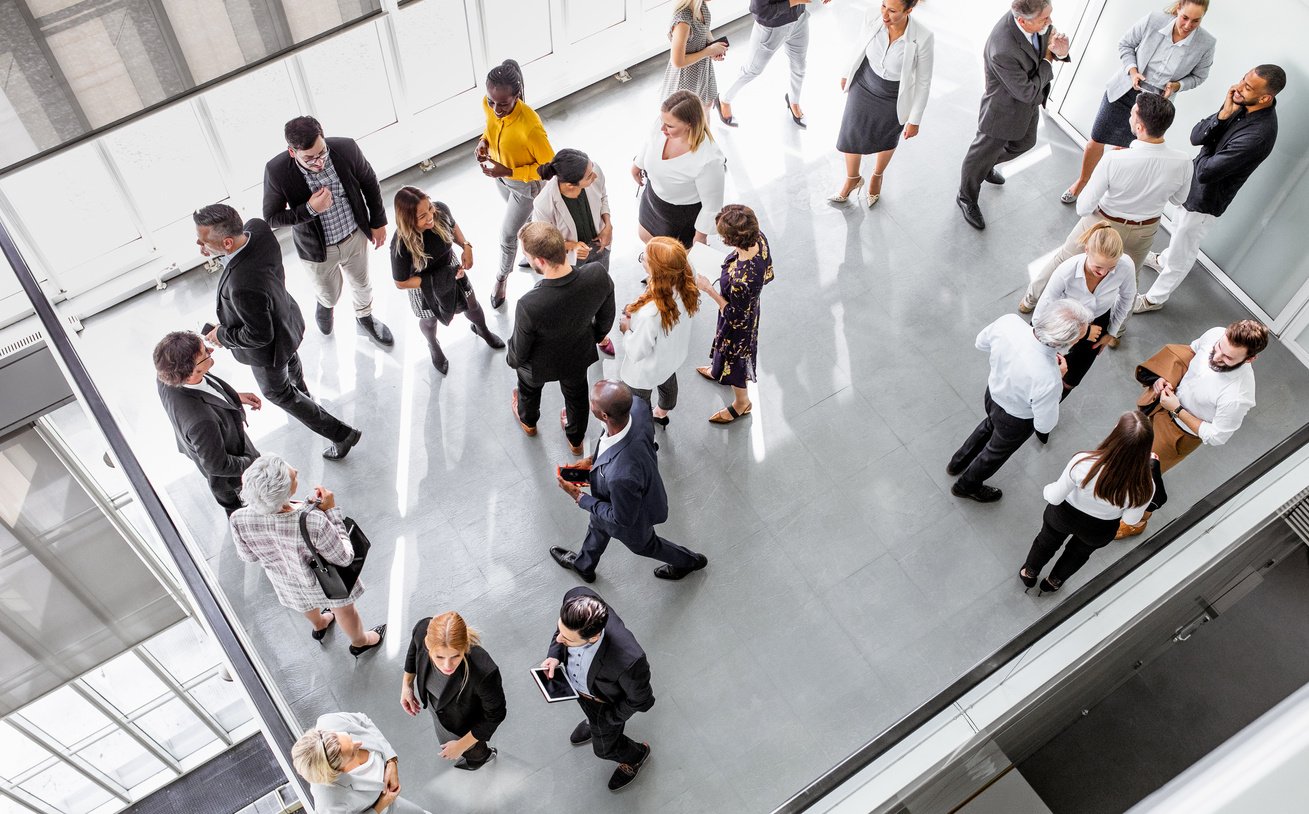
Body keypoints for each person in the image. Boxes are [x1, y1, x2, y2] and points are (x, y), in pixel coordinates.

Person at [1019, 91, 1191, 343]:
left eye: (1132, 113)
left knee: (1063, 259)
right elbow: (1179, 200)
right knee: (1130, 277)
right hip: (1144, 231)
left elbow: (1083, 206)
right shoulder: (1183, 161)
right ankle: (1117, 331)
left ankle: (1030, 300)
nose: (1129, 116)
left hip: (1103, 224)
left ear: (1140, 126)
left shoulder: (1115, 159)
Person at [195, 204, 361, 460]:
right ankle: (303, 392)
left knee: (279, 392)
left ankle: (341, 434)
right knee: (291, 359)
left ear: (227, 242)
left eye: (203, 241)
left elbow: (259, 336)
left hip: (268, 351)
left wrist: (222, 335)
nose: (199, 245)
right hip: (286, 318)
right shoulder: (257, 229)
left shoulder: (241, 285)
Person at [1135, 65, 1284, 314]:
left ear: (1265, 97)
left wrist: (1209, 143)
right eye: (1242, 79)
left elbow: (1206, 171)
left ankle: (1155, 299)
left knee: (1185, 248)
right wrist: (1223, 115)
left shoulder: (1258, 135)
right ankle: (1163, 260)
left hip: (1207, 199)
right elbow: (1196, 137)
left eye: (1248, 87)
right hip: (1193, 186)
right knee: (1179, 229)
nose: (1238, 87)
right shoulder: (1239, 104)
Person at [551, 380, 708, 582]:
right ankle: (584, 566)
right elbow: (617, 442)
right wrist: (592, 461)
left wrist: (579, 496)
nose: (590, 405)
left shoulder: (621, 476)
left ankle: (690, 562)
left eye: (593, 403)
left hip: (631, 516)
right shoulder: (638, 408)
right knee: (597, 525)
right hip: (622, 491)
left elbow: (622, 518)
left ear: (605, 415)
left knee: (645, 545)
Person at [1120, 320, 1264, 538]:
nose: (1217, 357)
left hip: (1178, 432)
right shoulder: (1216, 333)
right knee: (1128, 448)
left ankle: (1137, 522)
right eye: (1219, 348)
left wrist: (1177, 409)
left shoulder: (1238, 396)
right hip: (1161, 403)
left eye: (1228, 358)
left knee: (1144, 472)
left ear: (1250, 359)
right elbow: (1192, 351)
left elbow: (1217, 436)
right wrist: (1162, 380)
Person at [1060, 1, 1215, 204]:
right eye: (1185, 17)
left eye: (1196, 21)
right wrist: (1132, 70)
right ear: (1178, 8)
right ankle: (1082, 181)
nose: (1187, 25)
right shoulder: (1154, 20)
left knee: (1125, 150)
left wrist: (1177, 85)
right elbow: (1125, 44)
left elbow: (1199, 76)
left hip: (1153, 105)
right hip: (1124, 91)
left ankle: (1100, 188)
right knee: (1096, 139)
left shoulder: (1206, 43)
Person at [230, 455, 385, 657]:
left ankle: (320, 624)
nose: (296, 470)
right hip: (325, 582)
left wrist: (306, 507)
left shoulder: (238, 518)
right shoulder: (314, 522)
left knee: (305, 605)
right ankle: (360, 641)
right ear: (285, 492)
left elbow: (249, 557)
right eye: (292, 477)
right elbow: (345, 557)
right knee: (344, 610)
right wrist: (330, 512)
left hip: (286, 582)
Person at [262, 116, 394, 347]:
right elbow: (272, 218)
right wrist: (310, 209)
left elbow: (368, 180)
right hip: (317, 251)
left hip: (354, 235)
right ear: (292, 152)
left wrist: (378, 221)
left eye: (322, 152)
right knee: (330, 293)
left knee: (362, 284)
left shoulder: (346, 147)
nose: (319, 162)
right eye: (310, 158)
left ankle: (365, 317)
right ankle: (325, 306)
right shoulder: (277, 171)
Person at [947, 300, 1092, 503]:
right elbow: (1045, 424)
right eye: (1079, 338)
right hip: (1015, 420)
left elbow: (981, 343)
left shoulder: (1009, 323)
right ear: (1062, 343)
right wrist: (1058, 378)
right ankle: (966, 486)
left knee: (988, 424)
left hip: (993, 394)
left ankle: (957, 462)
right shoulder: (1050, 378)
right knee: (995, 452)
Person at [957, 0, 1071, 230]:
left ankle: (986, 166)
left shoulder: (1038, 21)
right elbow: (1027, 91)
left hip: (1029, 103)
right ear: (1022, 21)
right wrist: (1049, 61)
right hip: (1002, 109)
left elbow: (1048, 49)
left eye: (1050, 16)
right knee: (979, 155)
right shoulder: (1002, 48)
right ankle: (966, 197)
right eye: (1045, 19)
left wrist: (1061, 52)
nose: (1050, 23)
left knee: (1026, 143)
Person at [506, 223, 616, 456]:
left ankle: (529, 422)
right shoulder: (597, 274)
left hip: (537, 364)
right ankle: (575, 440)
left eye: (527, 256)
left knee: (527, 389)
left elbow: (519, 352)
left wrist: (512, 359)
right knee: (576, 396)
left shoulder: (530, 304)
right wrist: (593, 336)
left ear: (540, 261)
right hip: (576, 354)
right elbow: (607, 317)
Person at [1021, 412, 1158, 594]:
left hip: (1064, 515)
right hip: (1100, 529)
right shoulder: (1145, 486)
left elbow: (1054, 497)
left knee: (1045, 543)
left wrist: (1047, 488)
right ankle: (1054, 581)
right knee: (1078, 555)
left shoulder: (1084, 462)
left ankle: (1030, 573)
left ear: (1115, 435)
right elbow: (1131, 520)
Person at [540, 587, 655, 792]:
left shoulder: (628, 661)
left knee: (604, 750)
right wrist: (555, 654)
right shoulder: (576, 599)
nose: (559, 639)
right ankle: (593, 723)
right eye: (560, 630)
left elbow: (643, 699)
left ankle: (636, 755)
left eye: (567, 640)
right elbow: (560, 633)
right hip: (584, 691)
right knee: (589, 713)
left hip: (605, 704)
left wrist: (611, 718)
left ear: (593, 637)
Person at [830, 0, 934, 207]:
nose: (885, 15)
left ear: (909, 11)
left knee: (886, 136)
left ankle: (877, 176)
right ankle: (852, 179)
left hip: (893, 95)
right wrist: (846, 72)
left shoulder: (923, 37)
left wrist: (915, 119)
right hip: (865, 82)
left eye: (893, 11)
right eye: (883, 6)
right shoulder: (871, 16)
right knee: (850, 132)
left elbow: (923, 81)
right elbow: (859, 44)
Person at [390, 186, 503, 376]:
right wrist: (436, 281)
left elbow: (453, 226)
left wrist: (466, 246)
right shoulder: (400, 244)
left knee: (471, 304)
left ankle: (482, 329)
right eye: (422, 216)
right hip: (422, 285)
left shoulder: (440, 210)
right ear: (408, 220)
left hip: (452, 269)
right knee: (429, 320)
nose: (430, 217)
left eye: (430, 209)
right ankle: (433, 345)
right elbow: (400, 282)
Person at [475, 59, 556, 309]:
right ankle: (531, 253)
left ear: (517, 96)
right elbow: (490, 128)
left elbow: (549, 169)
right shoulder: (489, 104)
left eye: (503, 104)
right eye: (491, 102)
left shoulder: (530, 127)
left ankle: (501, 278)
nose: (496, 109)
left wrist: (510, 170)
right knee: (527, 222)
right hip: (500, 178)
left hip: (524, 186)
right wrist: (483, 143)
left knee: (508, 234)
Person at [153, 331, 260, 515]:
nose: (211, 350)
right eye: (205, 354)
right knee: (246, 512)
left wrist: (234, 397)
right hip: (235, 480)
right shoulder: (201, 422)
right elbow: (217, 465)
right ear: (190, 373)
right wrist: (253, 463)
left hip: (216, 440)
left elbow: (206, 390)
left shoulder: (166, 377)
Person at [1032, 223, 1136, 399]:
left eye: (1111, 268)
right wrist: (1082, 332)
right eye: (1098, 267)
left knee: (1072, 379)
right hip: (1063, 321)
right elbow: (1040, 315)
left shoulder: (1126, 266)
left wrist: (1112, 331)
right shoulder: (1066, 271)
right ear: (1086, 249)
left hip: (1099, 320)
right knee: (1043, 370)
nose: (1104, 273)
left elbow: (1127, 298)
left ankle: (1053, 404)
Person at [693, 204, 773, 424]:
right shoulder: (760, 239)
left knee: (736, 357)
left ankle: (742, 402)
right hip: (748, 308)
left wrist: (708, 288)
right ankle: (718, 368)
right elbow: (767, 273)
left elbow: (734, 316)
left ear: (732, 240)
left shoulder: (741, 279)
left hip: (739, 322)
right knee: (723, 344)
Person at [532, 148, 616, 356]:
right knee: (576, 300)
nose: (594, 174)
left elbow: (603, 196)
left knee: (599, 291)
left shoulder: (594, 172)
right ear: (570, 184)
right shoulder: (543, 204)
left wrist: (608, 225)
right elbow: (543, 239)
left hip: (599, 246)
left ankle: (600, 334)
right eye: (588, 176)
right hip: (570, 259)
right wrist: (570, 247)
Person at [400, 611, 506, 771]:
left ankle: (481, 757)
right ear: (428, 646)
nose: (447, 666)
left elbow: (495, 715)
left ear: (465, 646)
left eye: (456, 656)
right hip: (439, 709)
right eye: (439, 657)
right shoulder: (422, 630)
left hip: (465, 724)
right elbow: (413, 652)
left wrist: (461, 746)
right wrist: (407, 685)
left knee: (474, 751)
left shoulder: (483, 672)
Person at [619, 238, 701, 427]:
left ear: (657, 271)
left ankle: (646, 427)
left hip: (645, 370)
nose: (642, 261)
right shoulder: (688, 276)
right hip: (673, 355)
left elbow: (636, 352)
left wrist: (626, 329)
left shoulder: (651, 313)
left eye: (644, 259)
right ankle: (663, 411)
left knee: (639, 401)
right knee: (667, 381)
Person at [632, 90, 727, 249]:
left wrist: (700, 237)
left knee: (673, 255)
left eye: (669, 126)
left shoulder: (709, 160)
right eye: (662, 121)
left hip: (680, 215)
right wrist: (638, 163)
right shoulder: (662, 125)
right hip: (653, 198)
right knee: (646, 237)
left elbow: (712, 206)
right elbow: (649, 141)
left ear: (689, 124)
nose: (662, 127)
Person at [718, 0, 832, 128]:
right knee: (752, 70)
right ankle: (724, 99)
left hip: (799, 19)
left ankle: (794, 101)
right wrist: (795, 1)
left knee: (800, 66)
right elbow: (760, 10)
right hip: (772, 28)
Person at [291, 712, 430, 813]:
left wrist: (391, 760)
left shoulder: (330, 722)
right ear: (338, 770)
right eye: (352, 753)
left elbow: (363, 721)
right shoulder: (329, 800)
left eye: (348, 737)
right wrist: (381, 805)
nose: (359, 743)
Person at [660, 0, 728, 112]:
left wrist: (713, 46)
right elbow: (677, 62)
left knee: (707, 105)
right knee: (691, 115)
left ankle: (705, 129)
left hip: (703, 68)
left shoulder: (701, 6)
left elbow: (704, 29)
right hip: (686, 77)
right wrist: (708, 51)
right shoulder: (683, 22)